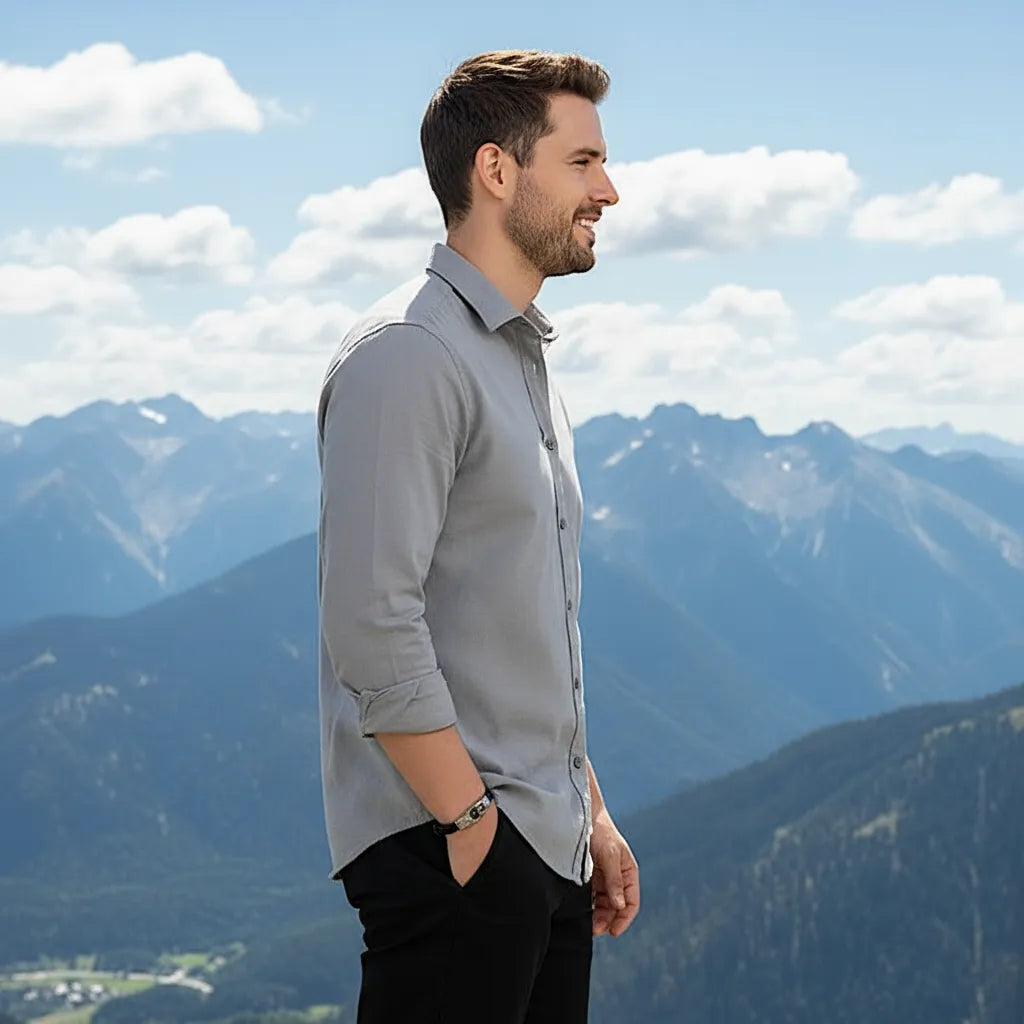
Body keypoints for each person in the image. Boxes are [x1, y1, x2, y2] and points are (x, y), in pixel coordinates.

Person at [316, 49, 639, 1024]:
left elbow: (517, 622)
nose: (609, 191)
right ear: (496, 171)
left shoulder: (519, 359)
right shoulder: (409, 356)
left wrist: (590, 816)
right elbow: (371, 620)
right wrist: (469, 823)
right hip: (449, 849)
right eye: (582, 162)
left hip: (537, 844)